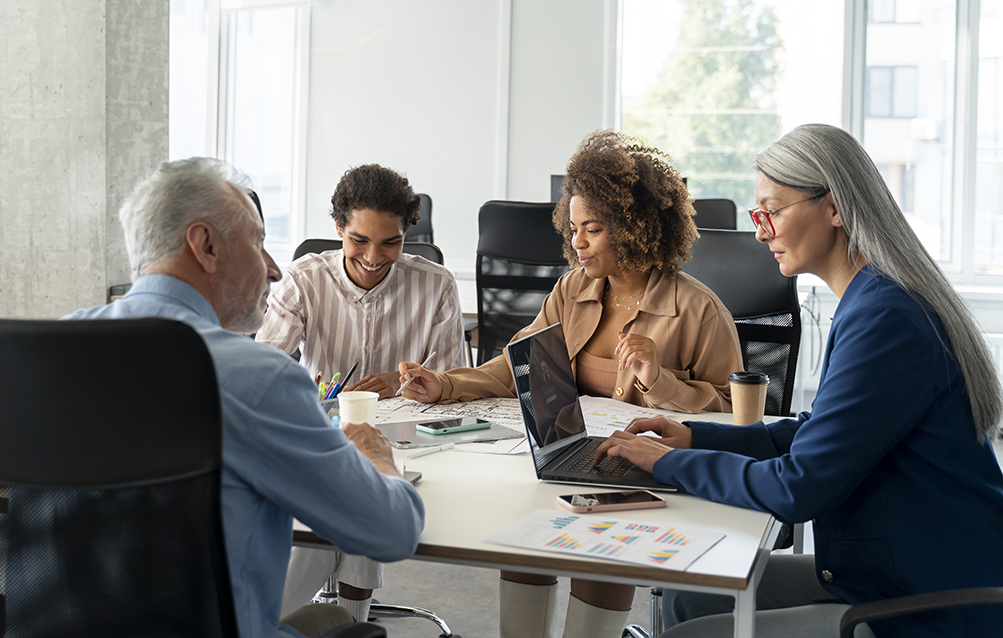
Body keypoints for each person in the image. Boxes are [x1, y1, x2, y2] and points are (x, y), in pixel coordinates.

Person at [593, 124, 1003, 638]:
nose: (761, 231)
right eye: (757, 214)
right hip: (885, 573)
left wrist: (673, 463)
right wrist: (697, 435)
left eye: (773, 210)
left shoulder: (886, 318)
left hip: (928, 604)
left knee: (687, 634)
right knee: (688, 591)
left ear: (834, 207)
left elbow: (799, 487)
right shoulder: (872, 299)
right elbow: (817, 431)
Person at [398, 129, 744, 638]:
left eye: (594, 229)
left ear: (634, 227)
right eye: (574, 228)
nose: (577, 243)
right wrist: (444, 385)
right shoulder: (572, 289)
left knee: (604, 550)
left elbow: (738, 413)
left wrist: (660, 379)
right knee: (523, 536)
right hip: (574, 455)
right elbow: (520, 362)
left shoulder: (697, 309)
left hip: (646, 472)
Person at [65, 157, 425, 638]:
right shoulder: (259, 378)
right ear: (206, 245)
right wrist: (377, 459)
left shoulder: (45, 352)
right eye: (258, 242)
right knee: (339, 620)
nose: (275, 270)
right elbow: (392, 531)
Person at [255, 164, 462, 622]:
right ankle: (350, 621)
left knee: (361, 485)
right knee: (352, 495)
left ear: (408, 234)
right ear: (338, 229)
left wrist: (401, 380)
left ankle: (335, 620)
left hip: (410, 440)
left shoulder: (436, 285)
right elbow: (263, 369)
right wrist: (296, 389)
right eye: (359, 240)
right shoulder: (303, 280)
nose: (373, 255)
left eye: (391, 242)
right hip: (320, 435)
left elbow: (455, 381)